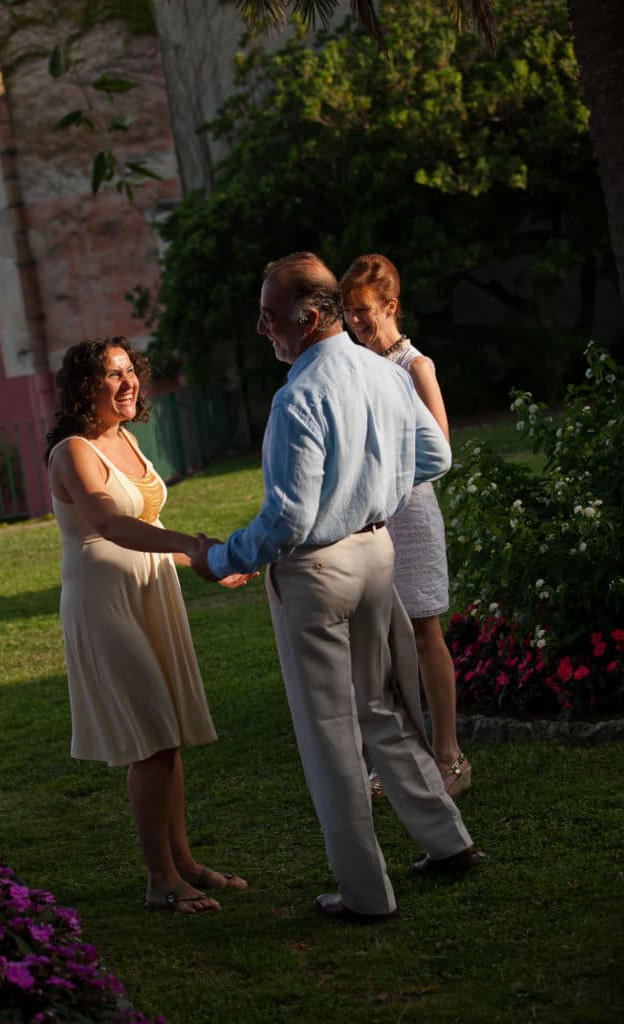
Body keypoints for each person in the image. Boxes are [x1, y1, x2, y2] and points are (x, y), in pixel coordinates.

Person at [193, 253, 483, 922]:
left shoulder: (298, 396)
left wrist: (224, 555)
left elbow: (289, 518)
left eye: (269, 316)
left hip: (318, 571)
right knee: (383, 708)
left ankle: (365, 894)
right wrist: (374, 488)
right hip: (376, 554)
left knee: (330, 734)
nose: (262, 329)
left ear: (308, 317)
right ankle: (449, 844)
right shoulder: (386, 372)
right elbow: (436, 455)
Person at [46, 336, 252, 915]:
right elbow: (110, 525)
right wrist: (192, 545)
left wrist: (208, 562)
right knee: (152, 735)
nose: (128, 381)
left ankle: (183, 863)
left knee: (169, 735)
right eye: (113, 374)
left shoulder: (127, 439)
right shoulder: (73, 451)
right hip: (104, 603)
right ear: (85, 386)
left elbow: (147, 522)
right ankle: (160, 880)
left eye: (130, 370)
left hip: (149, 592)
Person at [340, 254, 470, 798]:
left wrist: (381, 475)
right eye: (348, 312)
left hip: (410, 513)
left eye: (363, 310)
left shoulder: (417, 367)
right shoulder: (352, 366)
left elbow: (439, 451)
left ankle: (449, 754)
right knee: (375, 641)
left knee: (423, 631)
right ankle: (394, 760)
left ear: (390, 306)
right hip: (366, 516)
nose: (354, 321)